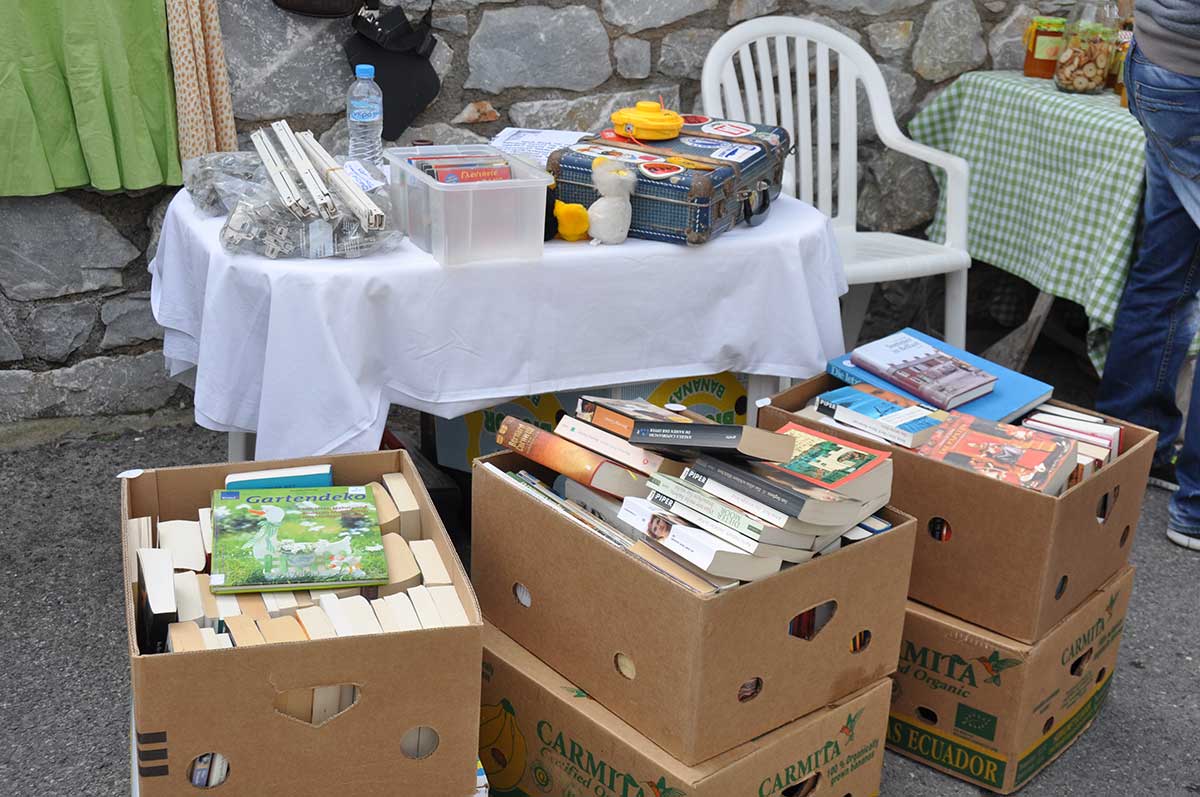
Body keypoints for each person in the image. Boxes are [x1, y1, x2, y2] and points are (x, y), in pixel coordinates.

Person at [1096, 0, 1200, 551]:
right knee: (1165, 277)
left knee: (1166, 275)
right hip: (1186, 76)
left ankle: (1127, 455)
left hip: (1161, 65)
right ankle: (1196, 509)